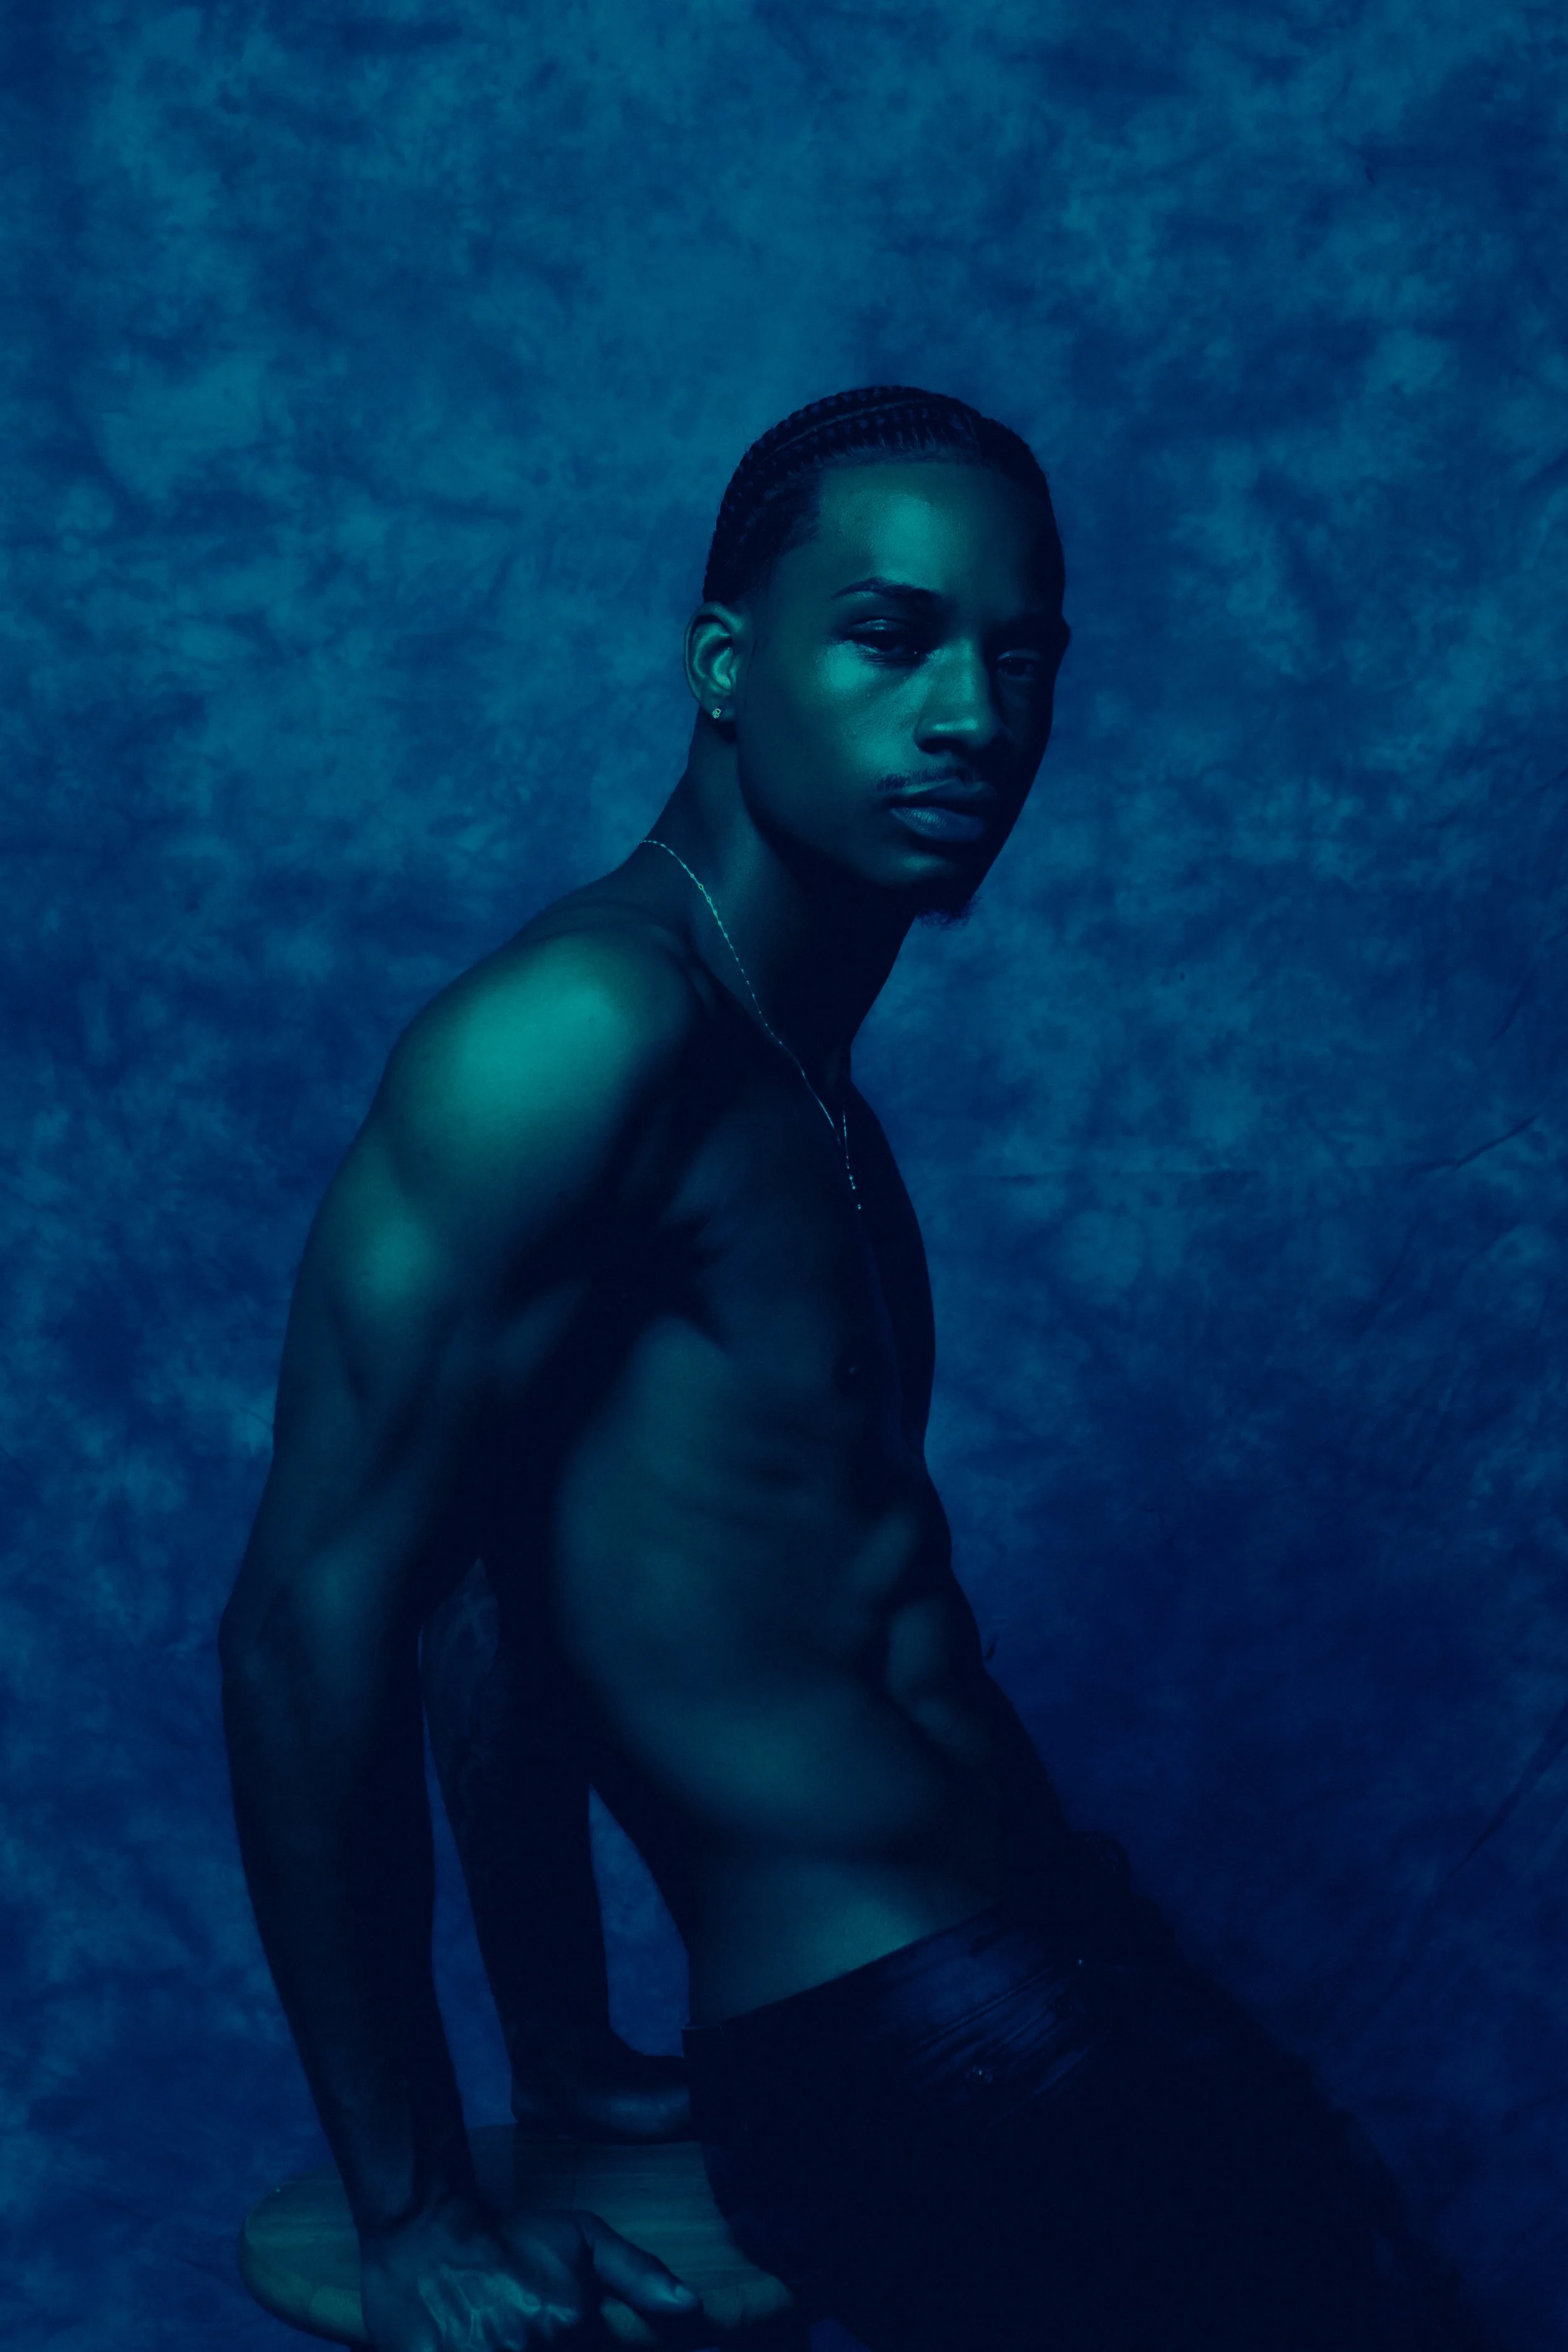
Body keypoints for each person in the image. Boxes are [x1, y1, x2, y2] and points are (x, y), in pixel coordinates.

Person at [220, 388, 1484, 2351]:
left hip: (1052, 1943)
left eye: (1020, 656)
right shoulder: (578, 1033)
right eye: (889, 638)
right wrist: (413, 2208)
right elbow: (312, 1624)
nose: (970, 715)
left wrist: (566, 2046)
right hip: (905, 2039)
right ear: (726, 667)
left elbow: (492, 1576)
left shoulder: (801, 1080)